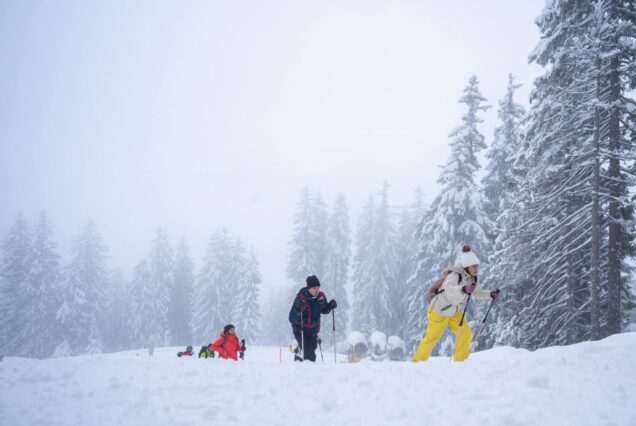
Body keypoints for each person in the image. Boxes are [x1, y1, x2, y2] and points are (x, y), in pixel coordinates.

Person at [412, 245, 500, 362]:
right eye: (474, 266)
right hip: (439, 311)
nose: (476, 268)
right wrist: (463, 289)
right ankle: (416, 363)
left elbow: (477, 292)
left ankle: (460, 363)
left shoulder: (473, 278)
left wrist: (490, 294)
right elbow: (449, 289)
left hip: (455, 312)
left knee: (466, 334)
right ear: (467, 266)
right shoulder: (454, 275)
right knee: (432, 338)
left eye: (477, 266)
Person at [288, 275, 337, 362]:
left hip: (313, 333)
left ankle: (298, 353)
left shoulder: (320, 297)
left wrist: (330, 306)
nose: (317, 290)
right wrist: (297, 308)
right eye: (314, 288)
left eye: (318, 287)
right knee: (309, 356)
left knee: (309, 352)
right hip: (301, 331)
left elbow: (324, 309)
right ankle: (301, 354)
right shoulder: (301, 297)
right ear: (309, 288)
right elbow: (291, 318)